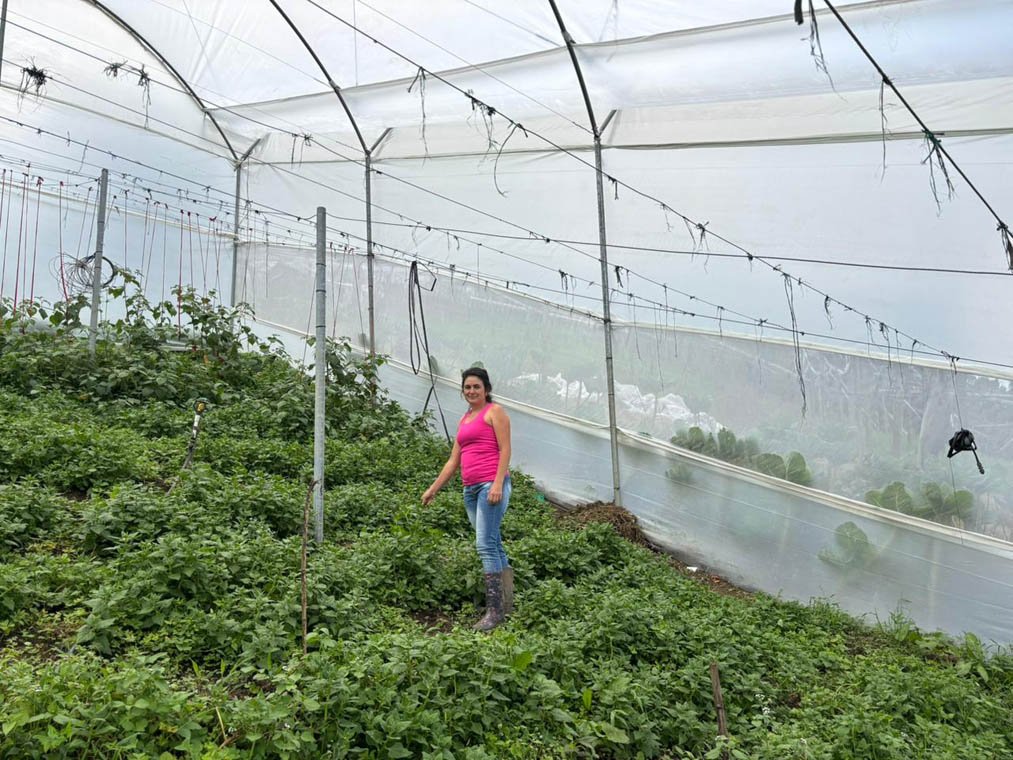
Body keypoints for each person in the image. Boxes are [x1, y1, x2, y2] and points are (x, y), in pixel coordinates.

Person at [422, 367, 513, 631]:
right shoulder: (465, 419)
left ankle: (495, 612)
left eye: (476, 387)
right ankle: (507, 604)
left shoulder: (495, 412)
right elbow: (453, 461)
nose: (471, 391)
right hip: (470, 489)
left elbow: (505, 449)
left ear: (486, 389)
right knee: (492, 542)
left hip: (490, 486)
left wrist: (497, 483)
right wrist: (433, 489)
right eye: (467, 387)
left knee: (484, 544)